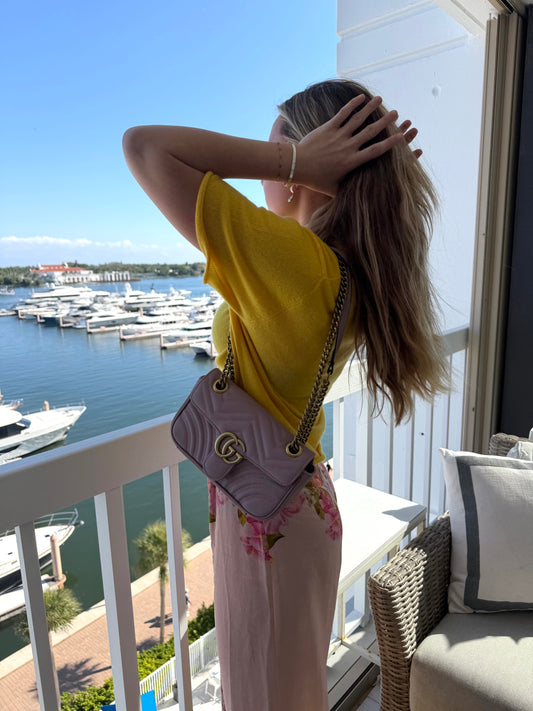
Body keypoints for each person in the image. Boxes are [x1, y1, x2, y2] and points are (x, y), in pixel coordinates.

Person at [123, 78, 448, 711]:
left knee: (265, 695)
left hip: (267, 514)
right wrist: (357, 172)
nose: (267, 173)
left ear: (310, 167)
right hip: (293, 499)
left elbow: (144, 147)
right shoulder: (344, 264)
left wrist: (295, 159)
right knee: (289, 691)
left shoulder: (297, 264)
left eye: (277, 152)